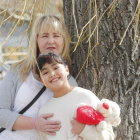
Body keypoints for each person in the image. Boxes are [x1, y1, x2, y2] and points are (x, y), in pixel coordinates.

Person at [0, 14, 78, 140]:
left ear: (63, 41)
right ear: (36, 40)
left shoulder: (71, 83)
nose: (51, 41)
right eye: (45, 36)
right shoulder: (18, 71)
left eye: (56, 36)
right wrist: (35, 123)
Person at [36, 53, 115, 140]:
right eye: (45, 72)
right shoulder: (44, 112)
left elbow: (109, 136)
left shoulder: (85, 97)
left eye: (55, 68)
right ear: (42, 80)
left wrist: (85, 130)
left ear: (66, 69)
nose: (52, 74)